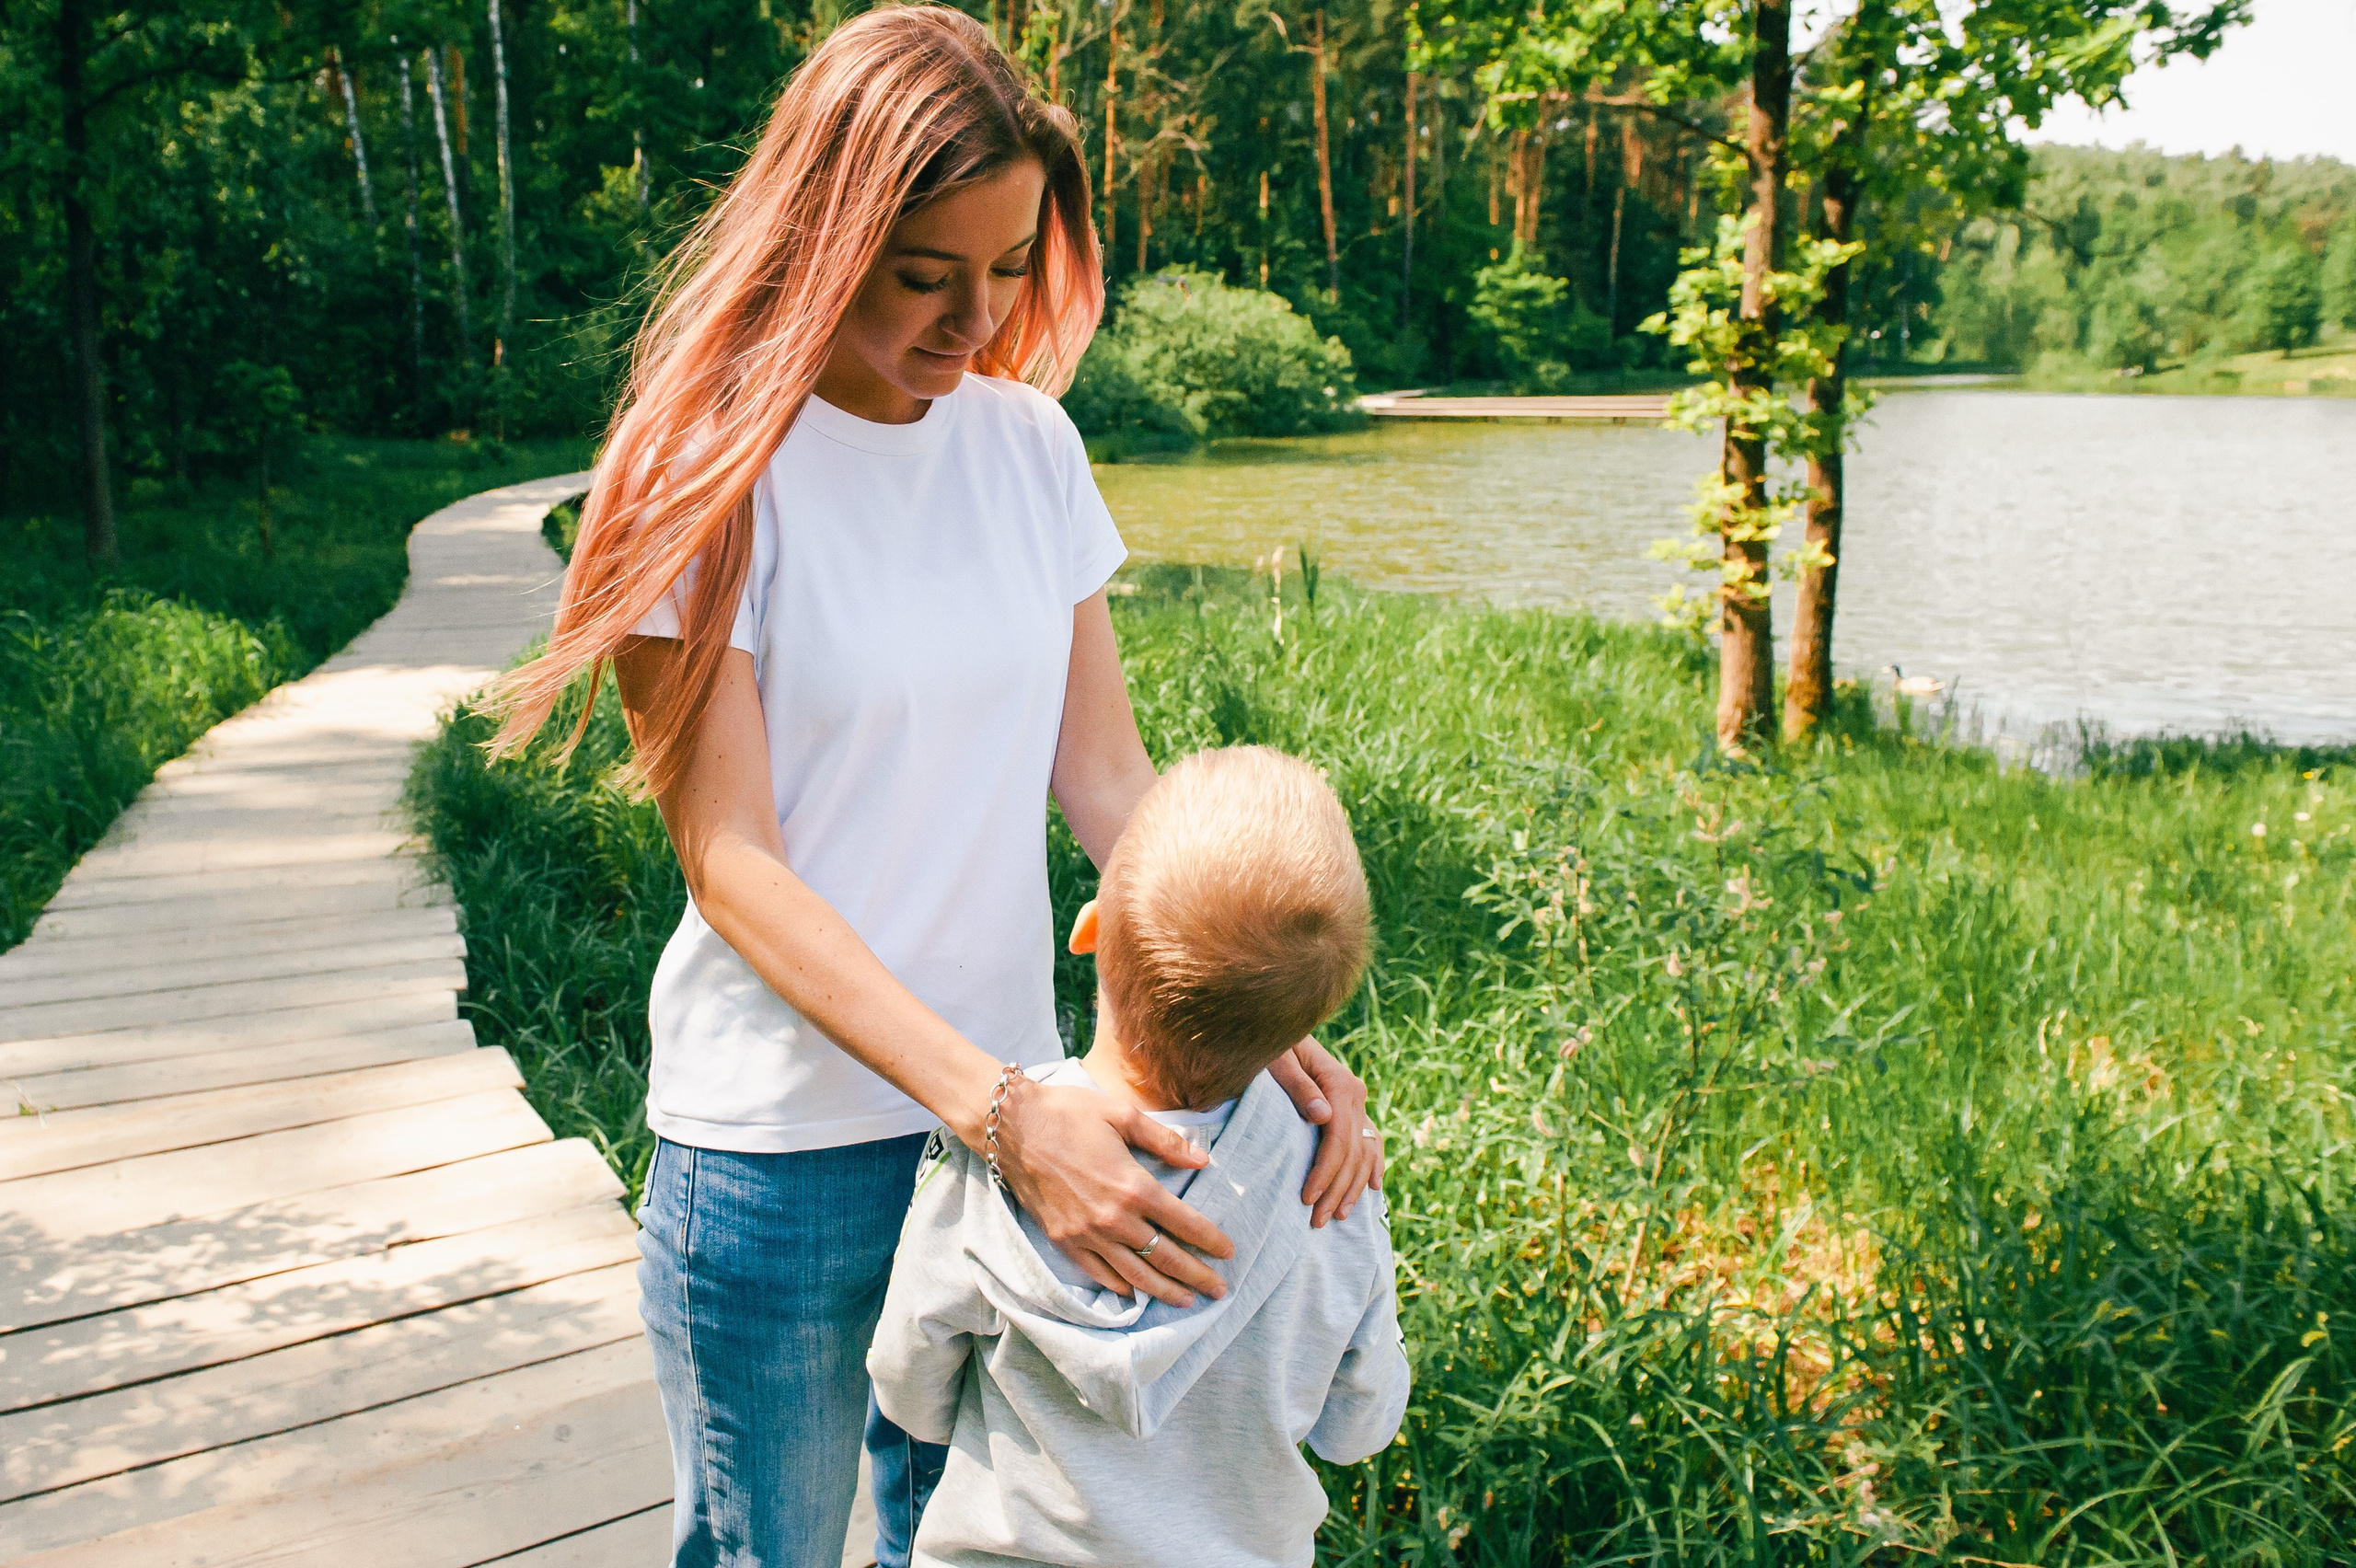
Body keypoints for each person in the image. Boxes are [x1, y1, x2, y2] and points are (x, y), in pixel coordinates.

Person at [480, 9, 1383, 1566]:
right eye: (922, 275)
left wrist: (1263, 1015)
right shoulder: (700, 472)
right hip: (784, 1152)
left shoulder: (1028, 447)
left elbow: (1107, 775)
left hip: (1032, 1130)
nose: (976, 320)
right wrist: (1000, 1105)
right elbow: (733, 859)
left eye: (1011, 266)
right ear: (822, 239)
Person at [869, 746, 1410, 1567]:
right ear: (1307, 1020)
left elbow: (909, 1385)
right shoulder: (1331, 1181)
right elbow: (1358, 1427)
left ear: (1088, 932)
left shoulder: (1001, 1152)